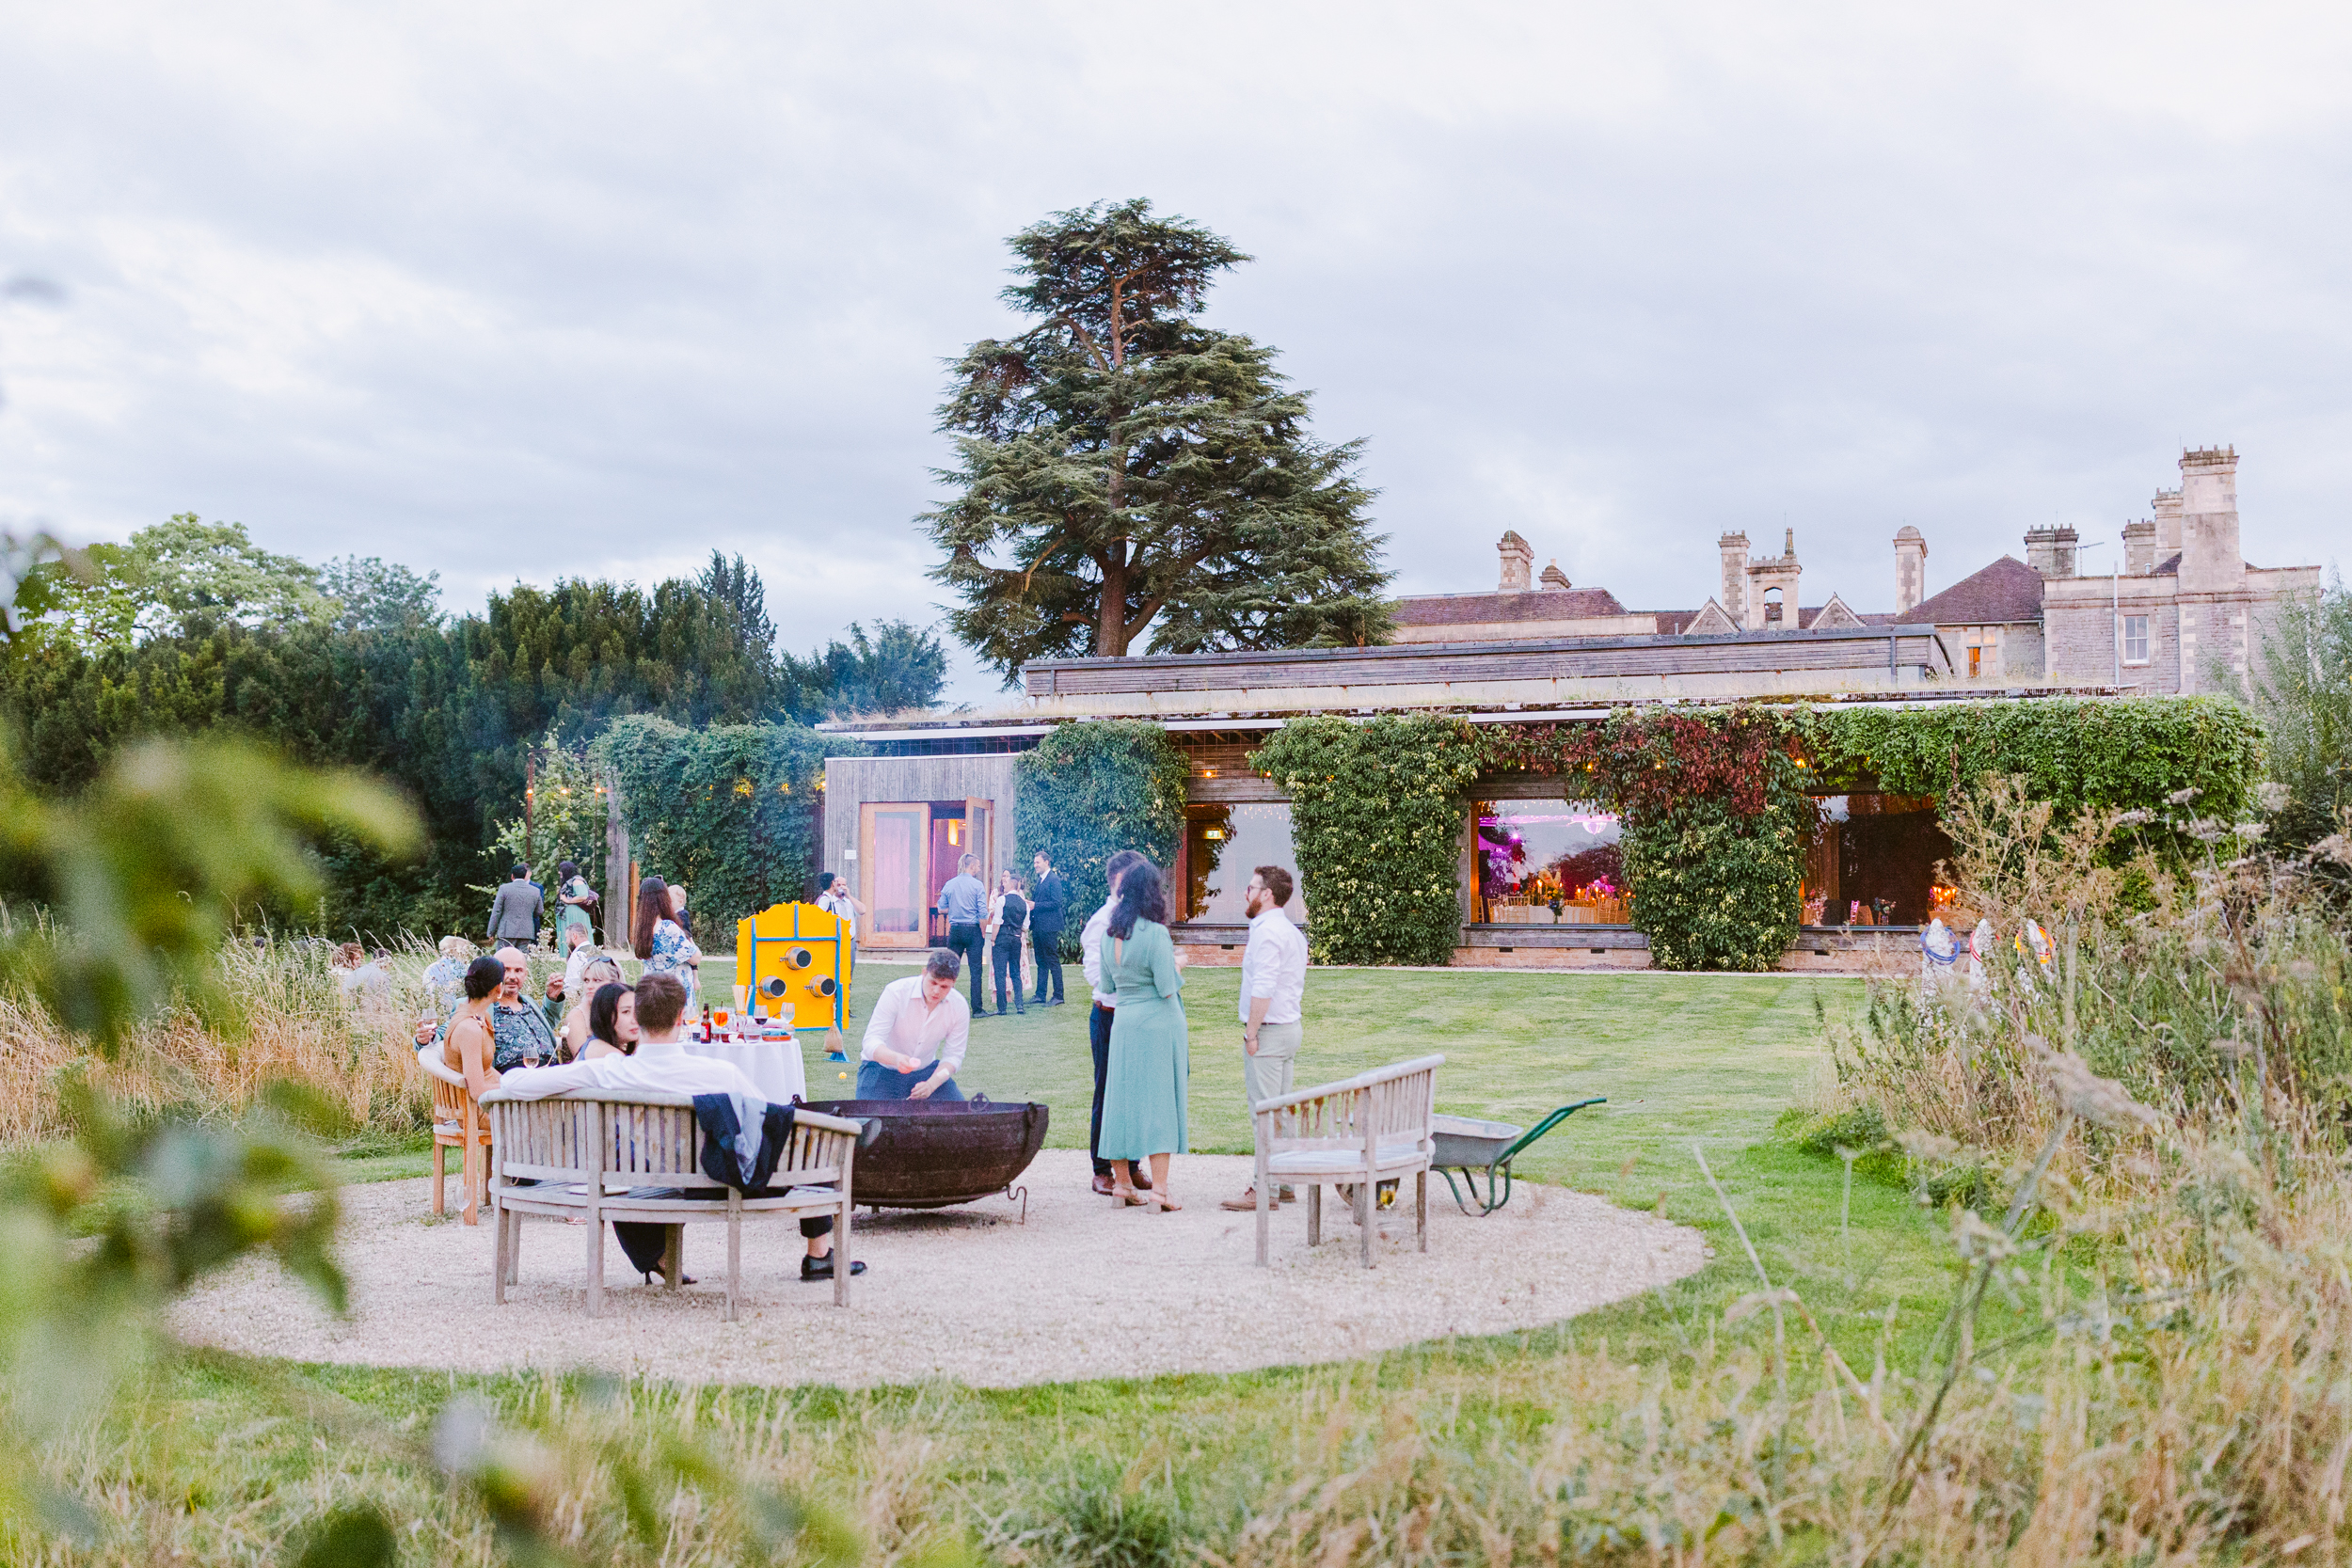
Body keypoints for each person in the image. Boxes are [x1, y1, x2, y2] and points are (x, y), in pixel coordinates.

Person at [496, 971, 864, 1283]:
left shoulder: (607, 1070)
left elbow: (513, 1083)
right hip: (714, 1180)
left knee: (623, 1160)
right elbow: (764, 1121)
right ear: (680, 1017)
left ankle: (660, 1257)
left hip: (644, 1182)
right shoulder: (720, 1073)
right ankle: (820, 1253)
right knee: (804, 1138)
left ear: (637, 1016)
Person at [1097, 862, 1188, 1211]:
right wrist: (1178, 963)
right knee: (1159, 1103)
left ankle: (1122, 1185)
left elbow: (1107, 986)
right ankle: (1160, 1192)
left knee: (1119, 1101)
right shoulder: (1155, 934)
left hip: (1124, 1023)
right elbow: (1167, 987)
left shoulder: (1110, 935)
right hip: (1157, 1023)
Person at [1223, 865, 1308, 1212]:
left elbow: (1264, 988)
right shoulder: (1289, 931)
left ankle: (1264, 1189)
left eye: (1251, 886)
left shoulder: (1267, 932)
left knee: (1265, 1113)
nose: (1246, 892)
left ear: (1267, 894)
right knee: (1281, 1110)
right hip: (1290, 1028)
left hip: (1270, 1032)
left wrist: (1251, 1033)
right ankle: (1283, 1182)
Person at [1080, 848, 1151, 1196]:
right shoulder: (1103, 919)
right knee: (1107, 1091)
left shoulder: (1143, 918)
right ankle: (1102, 1168)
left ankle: (1132, 1164)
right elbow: (1094, 969)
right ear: (1119, 881)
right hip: (1109, 1015)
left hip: (1137, 1015)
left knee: (1135, 1090)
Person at [856, 949, 971, 1101]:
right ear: (924, 973)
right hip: (882, 1069)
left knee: (962, 1115)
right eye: (933, 982)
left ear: (954, 983)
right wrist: (896, 1059)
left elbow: (954, 1057)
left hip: (926, 1071)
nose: (936, 991)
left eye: (944, 987)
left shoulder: (959, 1006)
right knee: (870, 1120)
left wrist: (931, 1084)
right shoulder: (896, 992)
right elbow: (871, 1043)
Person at [441, 954, 509, 1102]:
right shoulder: (469, 1029)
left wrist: (513, 1081)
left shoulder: (481, 1016)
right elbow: (477, 1092)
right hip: (477, 1109)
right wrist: (518, 1088)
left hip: (493, 1099)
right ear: (499, 988)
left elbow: (486, 1070)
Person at [634, 875, 701, 1006]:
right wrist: (688, 937)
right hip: (673, 996)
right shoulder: (666, 928)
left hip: (652, 995)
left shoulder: (643, 928)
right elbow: (696, 957)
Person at [935, 852, 987, 1015]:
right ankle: (977, 1009)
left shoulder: (950, 884)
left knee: (949, 969)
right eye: (978, 865)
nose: (979, 868)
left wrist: (956, 908)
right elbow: (983, 913)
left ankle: (944, 1003)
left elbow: (941, 908)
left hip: (956, 930)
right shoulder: (977, 885)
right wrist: (983, 933)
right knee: (976, 970)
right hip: (972, 929)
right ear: (971, 866)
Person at [556, 957, 626, 1056]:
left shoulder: (625, 1010)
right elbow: (583, 1058)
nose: (589, 986)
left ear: (614, 984)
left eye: (597, 980)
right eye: (586, 980)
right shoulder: (577, 1016)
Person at [986, 871, 1028, 1017]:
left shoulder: (1002, 900)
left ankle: (1002, 1008)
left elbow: (997, 922)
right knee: (1016, 972)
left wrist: (993, 940)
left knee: (1000, 972)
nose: (1004, 884)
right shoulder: (1024, 904)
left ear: (1012, 884)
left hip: (1002, 938)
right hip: (1016, 938)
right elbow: (1025, 927)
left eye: (1006, 882)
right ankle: (1020, 1005)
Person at [1028, 850, 1068, 1006]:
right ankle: (1040, 994)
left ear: (1047, 862)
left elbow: (1056, 903)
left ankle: (1058, 995)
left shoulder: (1054, 880)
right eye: (1034, 862)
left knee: (1052, 960)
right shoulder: (1040, 880)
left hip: (1049, 927)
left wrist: (1035, 905)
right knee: (1041, 961)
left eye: (1038, 862)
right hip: (1039, 926)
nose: (1035, 865)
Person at [420, 935, 476, 1025]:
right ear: (456, 950)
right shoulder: (466, 968)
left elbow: (428, 995)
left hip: (436, 1014)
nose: (467, 954)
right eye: (466, 950)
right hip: (462, 1015)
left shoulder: (430, 968)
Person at [486, 863, 543, 949]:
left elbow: (497, 912)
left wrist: (491, 932)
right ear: (525, 876)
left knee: (504, 958)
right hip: (526, 932)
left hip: (507, 931)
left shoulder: (504, 889)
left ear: (512, 876)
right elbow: (539, 911)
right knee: (522, 959)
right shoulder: (535, 891)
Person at [579, 979, 638, 1061]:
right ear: (605, 1014)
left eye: (637, 1011)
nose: (635, 1020)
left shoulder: (594, 1042)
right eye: (626, 1012)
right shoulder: (612, 1056)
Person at [555, 860, 597, 948]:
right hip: (569, 913)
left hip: (575, 914)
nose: (559, 872)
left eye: (561, 870)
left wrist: (567, 900)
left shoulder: (576, 881)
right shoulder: (571, 881)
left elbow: (583, 896)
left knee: (574, 934)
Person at [815, 871, 866, 941]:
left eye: (844, 885)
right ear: (832, 883)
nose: (841, 887)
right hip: (834, 939)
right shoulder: (827, 899)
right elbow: (818, 918)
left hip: (849, 940)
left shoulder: (849, 901)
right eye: (838, 884)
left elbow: (862, 911)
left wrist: (849, 896)